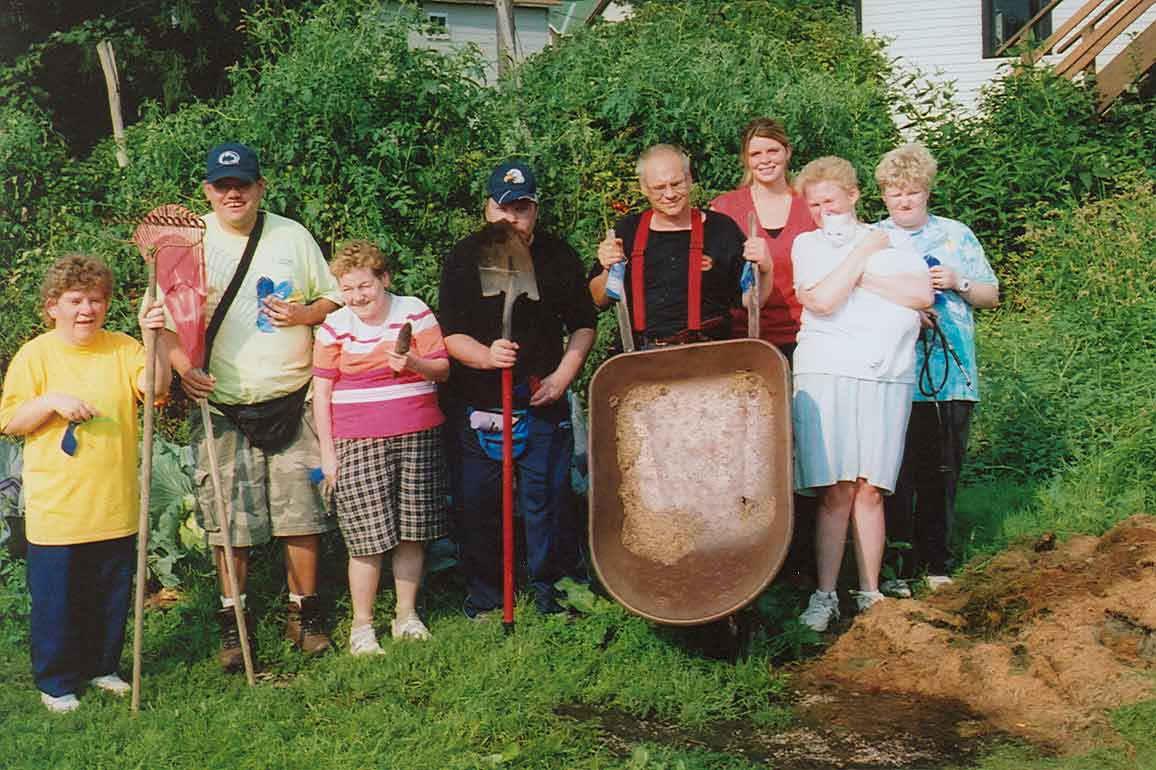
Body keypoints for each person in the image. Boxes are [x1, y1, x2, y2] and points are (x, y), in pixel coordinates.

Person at [163, 142, 342, 670]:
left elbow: (332, 298)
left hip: (292, 398)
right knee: (227, 522)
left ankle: (303, 614)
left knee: (302, 516)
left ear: (261, 187)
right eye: (222, 186)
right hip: (222, 407)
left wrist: (304, 312)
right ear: (207, 192)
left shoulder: (292, 235)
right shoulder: (183, 245)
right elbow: (160, 325)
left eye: (243, 183)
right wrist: (182, 369)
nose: (233, 192)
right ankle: (232, 623)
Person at [0, 255, 172, 712]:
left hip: (114, 501)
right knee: (58, 601)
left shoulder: (124, 348)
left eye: (96, 300)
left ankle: (102, 666)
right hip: (59, 508)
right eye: (75, 301)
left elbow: (155, 387)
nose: (86, 310)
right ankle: (55, 681)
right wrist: (52, 401)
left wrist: (153, 338)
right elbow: (10, 420)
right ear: (52, 306)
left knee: (111, 593)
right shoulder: (36, 354)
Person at [439, 161, 596, 619]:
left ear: (535, 209)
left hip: (540, 397)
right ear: (489, 209)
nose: (513, 219)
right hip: (478, 402)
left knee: (548, 498)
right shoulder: (464, 258)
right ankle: (486, 597)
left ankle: (557, 592)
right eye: (504, 209)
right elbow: (450, 334)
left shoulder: (557, 255)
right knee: (478, 503)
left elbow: (584, 325)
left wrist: (563, 377)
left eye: (522, 209)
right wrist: (486, 356)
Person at [789, 156, 933, 632]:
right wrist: (860, 258)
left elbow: (922, 296)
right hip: (827, 372)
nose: (821, 211)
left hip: (885, 375)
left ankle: (869, 591)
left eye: (829, 200)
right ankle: (824, 594)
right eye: (813, 204)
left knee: (871, 488)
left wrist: (857, 271)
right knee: (836, 487)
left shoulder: (892, 240)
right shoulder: (809, 245)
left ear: (852, 196)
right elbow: (823, 300)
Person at [312, 239, 450, 654]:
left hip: (417, 434)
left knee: (412, 530)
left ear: (383, 278)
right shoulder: (334, 326)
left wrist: (412, 364)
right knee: (367, 537)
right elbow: (320, 394)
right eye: (348, 289)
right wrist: (328, 455)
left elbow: (442, 370)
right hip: (357, 440)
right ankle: (362, 626)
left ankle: (406, 616)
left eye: (365, 286)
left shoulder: (414, 311)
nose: (357, 297)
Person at [875, 143, 999, 595]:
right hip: (890, 374)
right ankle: (898, 569)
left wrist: (959, 282)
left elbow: (992, 295)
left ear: (926, 192)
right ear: (884, 196)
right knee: (895, 474)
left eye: (912, 192)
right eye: (895, 194)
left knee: (942, 472)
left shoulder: (957, 235)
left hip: (951, 375)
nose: (904, 201)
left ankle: (938, 564)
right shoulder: (873, 237)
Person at [590, 144, 772, 346]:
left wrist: (765, 268)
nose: (669, 194)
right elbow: (598, 300)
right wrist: (607, 269)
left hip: (710, 355)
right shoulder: (627, 231)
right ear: (643, 188)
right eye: (659, 187)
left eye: (676, 184)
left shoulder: (721, 228)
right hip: (642, 357)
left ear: (689, 179)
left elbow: (753, 301)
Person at [709, 117, 817, 357]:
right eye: (756, 154)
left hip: (803, 337)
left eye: (773, 151)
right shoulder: (724, 208)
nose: (765, 160)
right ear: (746, 160)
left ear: (787, 152)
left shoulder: (810, 206)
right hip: (742, 337)